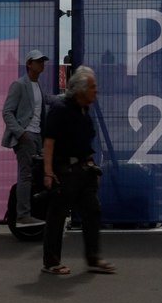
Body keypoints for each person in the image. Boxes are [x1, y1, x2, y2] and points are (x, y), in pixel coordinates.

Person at [40, 66, 114, 276]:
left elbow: (84, 142)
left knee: (92, 211)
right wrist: (48, 172)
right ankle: (51, 262)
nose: (95, 91)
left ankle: (93, 258)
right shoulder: (60, 108)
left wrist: (90, 164)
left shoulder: (84, 110)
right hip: (64, 171)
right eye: (92, 87)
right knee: (57, 216)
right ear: (81, 89)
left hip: (84, 171)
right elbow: (49, 142)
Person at [2, 49, 50, 226]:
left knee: (37, 175)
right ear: (29, 64)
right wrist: (20, 133)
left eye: (43, 61)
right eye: (38, 61)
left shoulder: (38, 86)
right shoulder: (19, 85)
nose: (42, 64)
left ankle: (35, 211)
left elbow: (48, 101)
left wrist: (68, 97)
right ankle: (22, 215)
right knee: (26, 175)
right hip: (26, 135)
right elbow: (7, 112)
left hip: (38, 135)